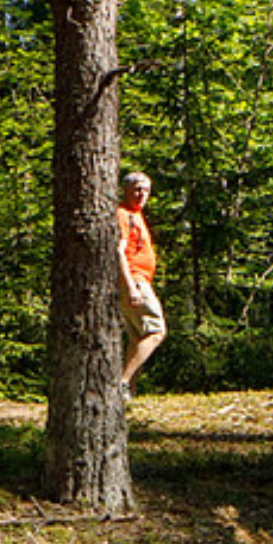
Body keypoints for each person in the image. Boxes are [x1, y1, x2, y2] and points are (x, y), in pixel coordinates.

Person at [118, 171, 165, 402]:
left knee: (137, 338)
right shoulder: (123, 214)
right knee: (156, 332)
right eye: (136, 189)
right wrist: (131, 286)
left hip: (139, 280)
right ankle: (122, 383)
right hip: (134, 280)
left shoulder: (136, 215)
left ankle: (128, 396)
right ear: (125, 190)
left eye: (145, 190)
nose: (141, 194)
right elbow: (119, 251)